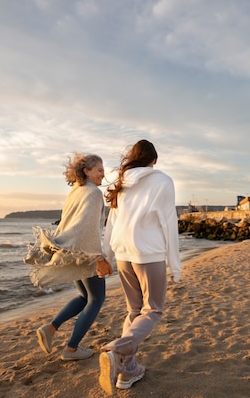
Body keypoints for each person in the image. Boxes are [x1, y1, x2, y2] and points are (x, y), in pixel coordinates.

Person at [98, 140, 181, 393]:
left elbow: (111, 222)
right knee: (153, 311)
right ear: (154, 160)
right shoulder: (162, 180)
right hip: (148, 253)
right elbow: (169, 222)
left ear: (132, 159)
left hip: (123, 252)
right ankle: (117, 350)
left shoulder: (121, 183)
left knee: (134, 310)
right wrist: (175, 266)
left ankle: (127, 371)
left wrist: (106, 256)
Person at [35, 153, 113, 361]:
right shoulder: (94, 193)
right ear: (86, 171)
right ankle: (71, 349)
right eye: (99, 170)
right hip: (86, 252)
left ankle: (50, 329)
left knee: (84, 297)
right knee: (96, 299)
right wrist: (99, 257)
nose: (103, 175)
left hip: (74, 251)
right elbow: (86, 228)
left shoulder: (75, 191)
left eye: (104, 171)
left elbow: (70, 223)